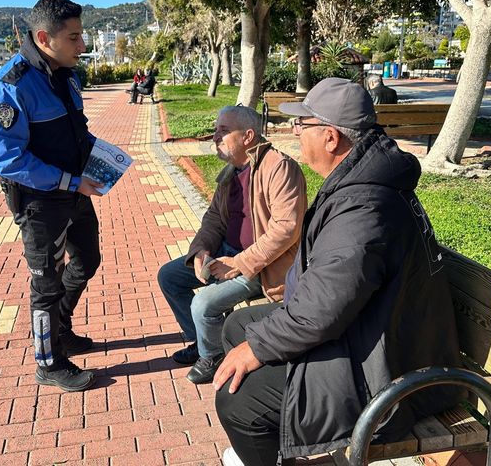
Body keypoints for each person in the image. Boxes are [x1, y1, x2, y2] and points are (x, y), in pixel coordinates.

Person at [212, 78, 464, 466]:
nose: (295, 133)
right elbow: (332, 290)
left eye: (303, 125)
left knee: (237, 401)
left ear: (330, 137)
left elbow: (323, 309)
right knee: (237, 328)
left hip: (387, 371)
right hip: (365, 329)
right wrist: (260, 339)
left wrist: (260, 348)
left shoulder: (364, 206)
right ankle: (272, 445)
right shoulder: (362, 179)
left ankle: (266, 445)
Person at [0, 0, 105, 393]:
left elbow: (77, 130)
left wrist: (102, 159)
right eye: (74, 37)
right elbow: (5, 158)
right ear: (43, 37)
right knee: (46, 284)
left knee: (87, 260)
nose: (82, 46)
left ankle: (61, 328)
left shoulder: (67, 75)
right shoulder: (10, 87)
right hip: (40, 203)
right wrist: (70, 181)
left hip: (75, 191)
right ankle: (48, 362)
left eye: (81, 35)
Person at [157, 105, 307, 384]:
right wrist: (201, 250)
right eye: (216, 130)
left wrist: (238, 264)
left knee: (203, 303)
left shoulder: (280, 167)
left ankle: (212, 356)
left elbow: (286, 229)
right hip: (225, 254)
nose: (215, 136)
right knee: (169, 276)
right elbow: (214, 218)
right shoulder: (232, 172)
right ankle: (201, 341)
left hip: (262, 265)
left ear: (248, 136)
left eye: (224, 131)